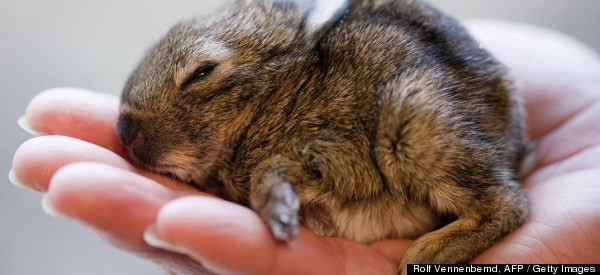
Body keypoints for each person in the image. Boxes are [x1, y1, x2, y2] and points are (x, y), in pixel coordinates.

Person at [10, 19, 600, 274]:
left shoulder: (313, 90)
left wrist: (276, 179)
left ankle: (489, 208)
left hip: (404, 145)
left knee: (416, 125)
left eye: (202, 78)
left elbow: (321, 153)